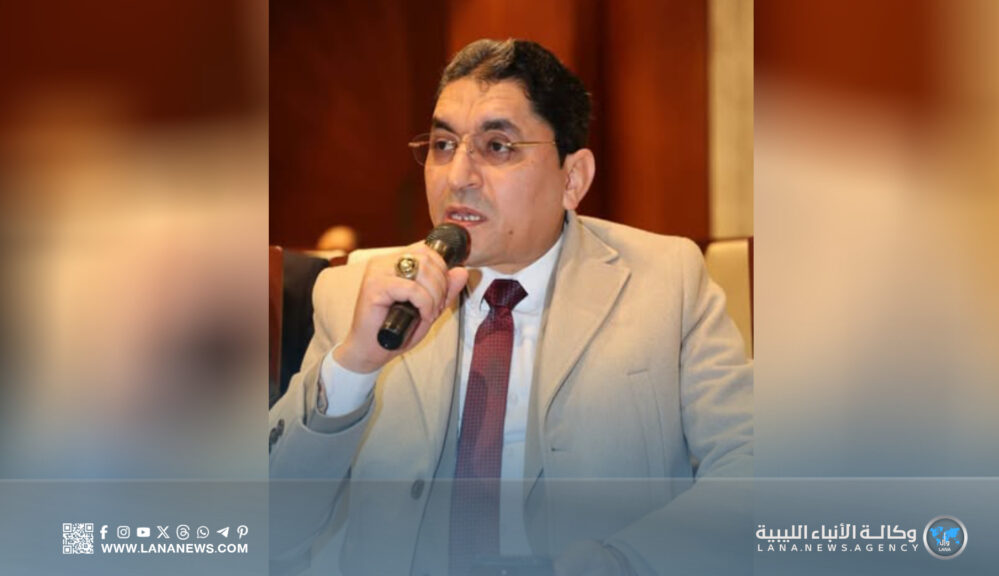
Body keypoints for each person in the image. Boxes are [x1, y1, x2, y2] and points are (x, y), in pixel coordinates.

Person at [270, 38, 752, 576]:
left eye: (497, 146)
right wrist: (354, 366)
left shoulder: (666, 280)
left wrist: (623, 563)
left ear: (573, 178)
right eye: (443, 145)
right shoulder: (359, 295)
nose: (458, 177)